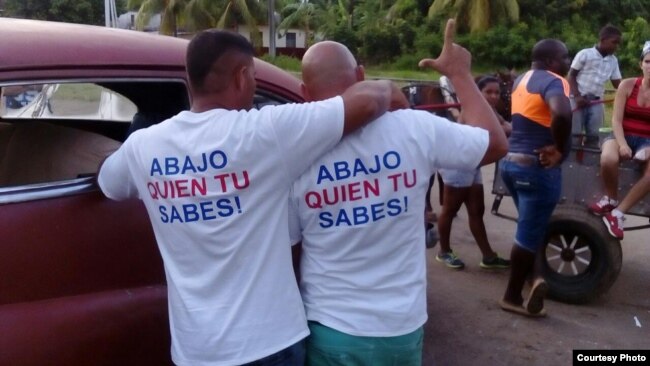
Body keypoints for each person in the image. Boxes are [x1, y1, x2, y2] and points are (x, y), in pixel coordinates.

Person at [97, 30, 409, 366]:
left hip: (196, 351)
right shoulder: (266, 131)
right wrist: (393, 96)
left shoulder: (143, 147)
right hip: (270, 344)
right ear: (243, 77)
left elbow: (108, 183)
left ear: (191, 79)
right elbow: (370, 100)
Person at [288, 19, 508, 365]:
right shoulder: (413, 128)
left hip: (331, 327)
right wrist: (461, 75)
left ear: (304, 92)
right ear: (361, 76)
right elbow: (495, 143)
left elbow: (291, 249)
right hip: (401, 328)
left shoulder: (292, 151)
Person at [499, 39, 572, 317]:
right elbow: (562, 114)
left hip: (510, 165)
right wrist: (560, 149)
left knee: (532, 226)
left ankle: (536, 277)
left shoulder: (521, 79)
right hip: (537, 167)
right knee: (529, 233)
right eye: (565, 57)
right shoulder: (555, 80)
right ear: (553, 61)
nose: (568, 63)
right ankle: (511, 296)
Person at [435, 75, 512, 270]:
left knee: (477, 211)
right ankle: (443, 252)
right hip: (458, 163)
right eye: (489, 92)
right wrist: (506, 128)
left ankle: (488, 256)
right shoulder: (474, 110)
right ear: (479, 93)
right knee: (450, 210)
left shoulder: (490, 110)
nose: (494, 96)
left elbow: (505, 127)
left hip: (473, 163)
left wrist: (506, 127)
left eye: (497, 92)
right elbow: (498, 132)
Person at [588, 41, 650, 240]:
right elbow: (616, 119)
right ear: (641, 64)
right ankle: (611, 199)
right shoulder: (627, 85)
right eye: (648, 61)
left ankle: (618, 213)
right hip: (621, 133)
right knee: (608, 158)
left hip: (647, 141)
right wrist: (622, 144)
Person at [568, 25, 622, 146]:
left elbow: (617, 83)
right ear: (603, 40)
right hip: (577, 100)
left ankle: (589, 163)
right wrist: (577, 96)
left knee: (595, 135)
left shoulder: (613, 60)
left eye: (618, 44)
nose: (616, 46)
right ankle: (570, 162)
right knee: (574, 134)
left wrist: (635, 87)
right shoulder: (585, 54)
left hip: (596, 102)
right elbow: (571, 76)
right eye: (614, 42)